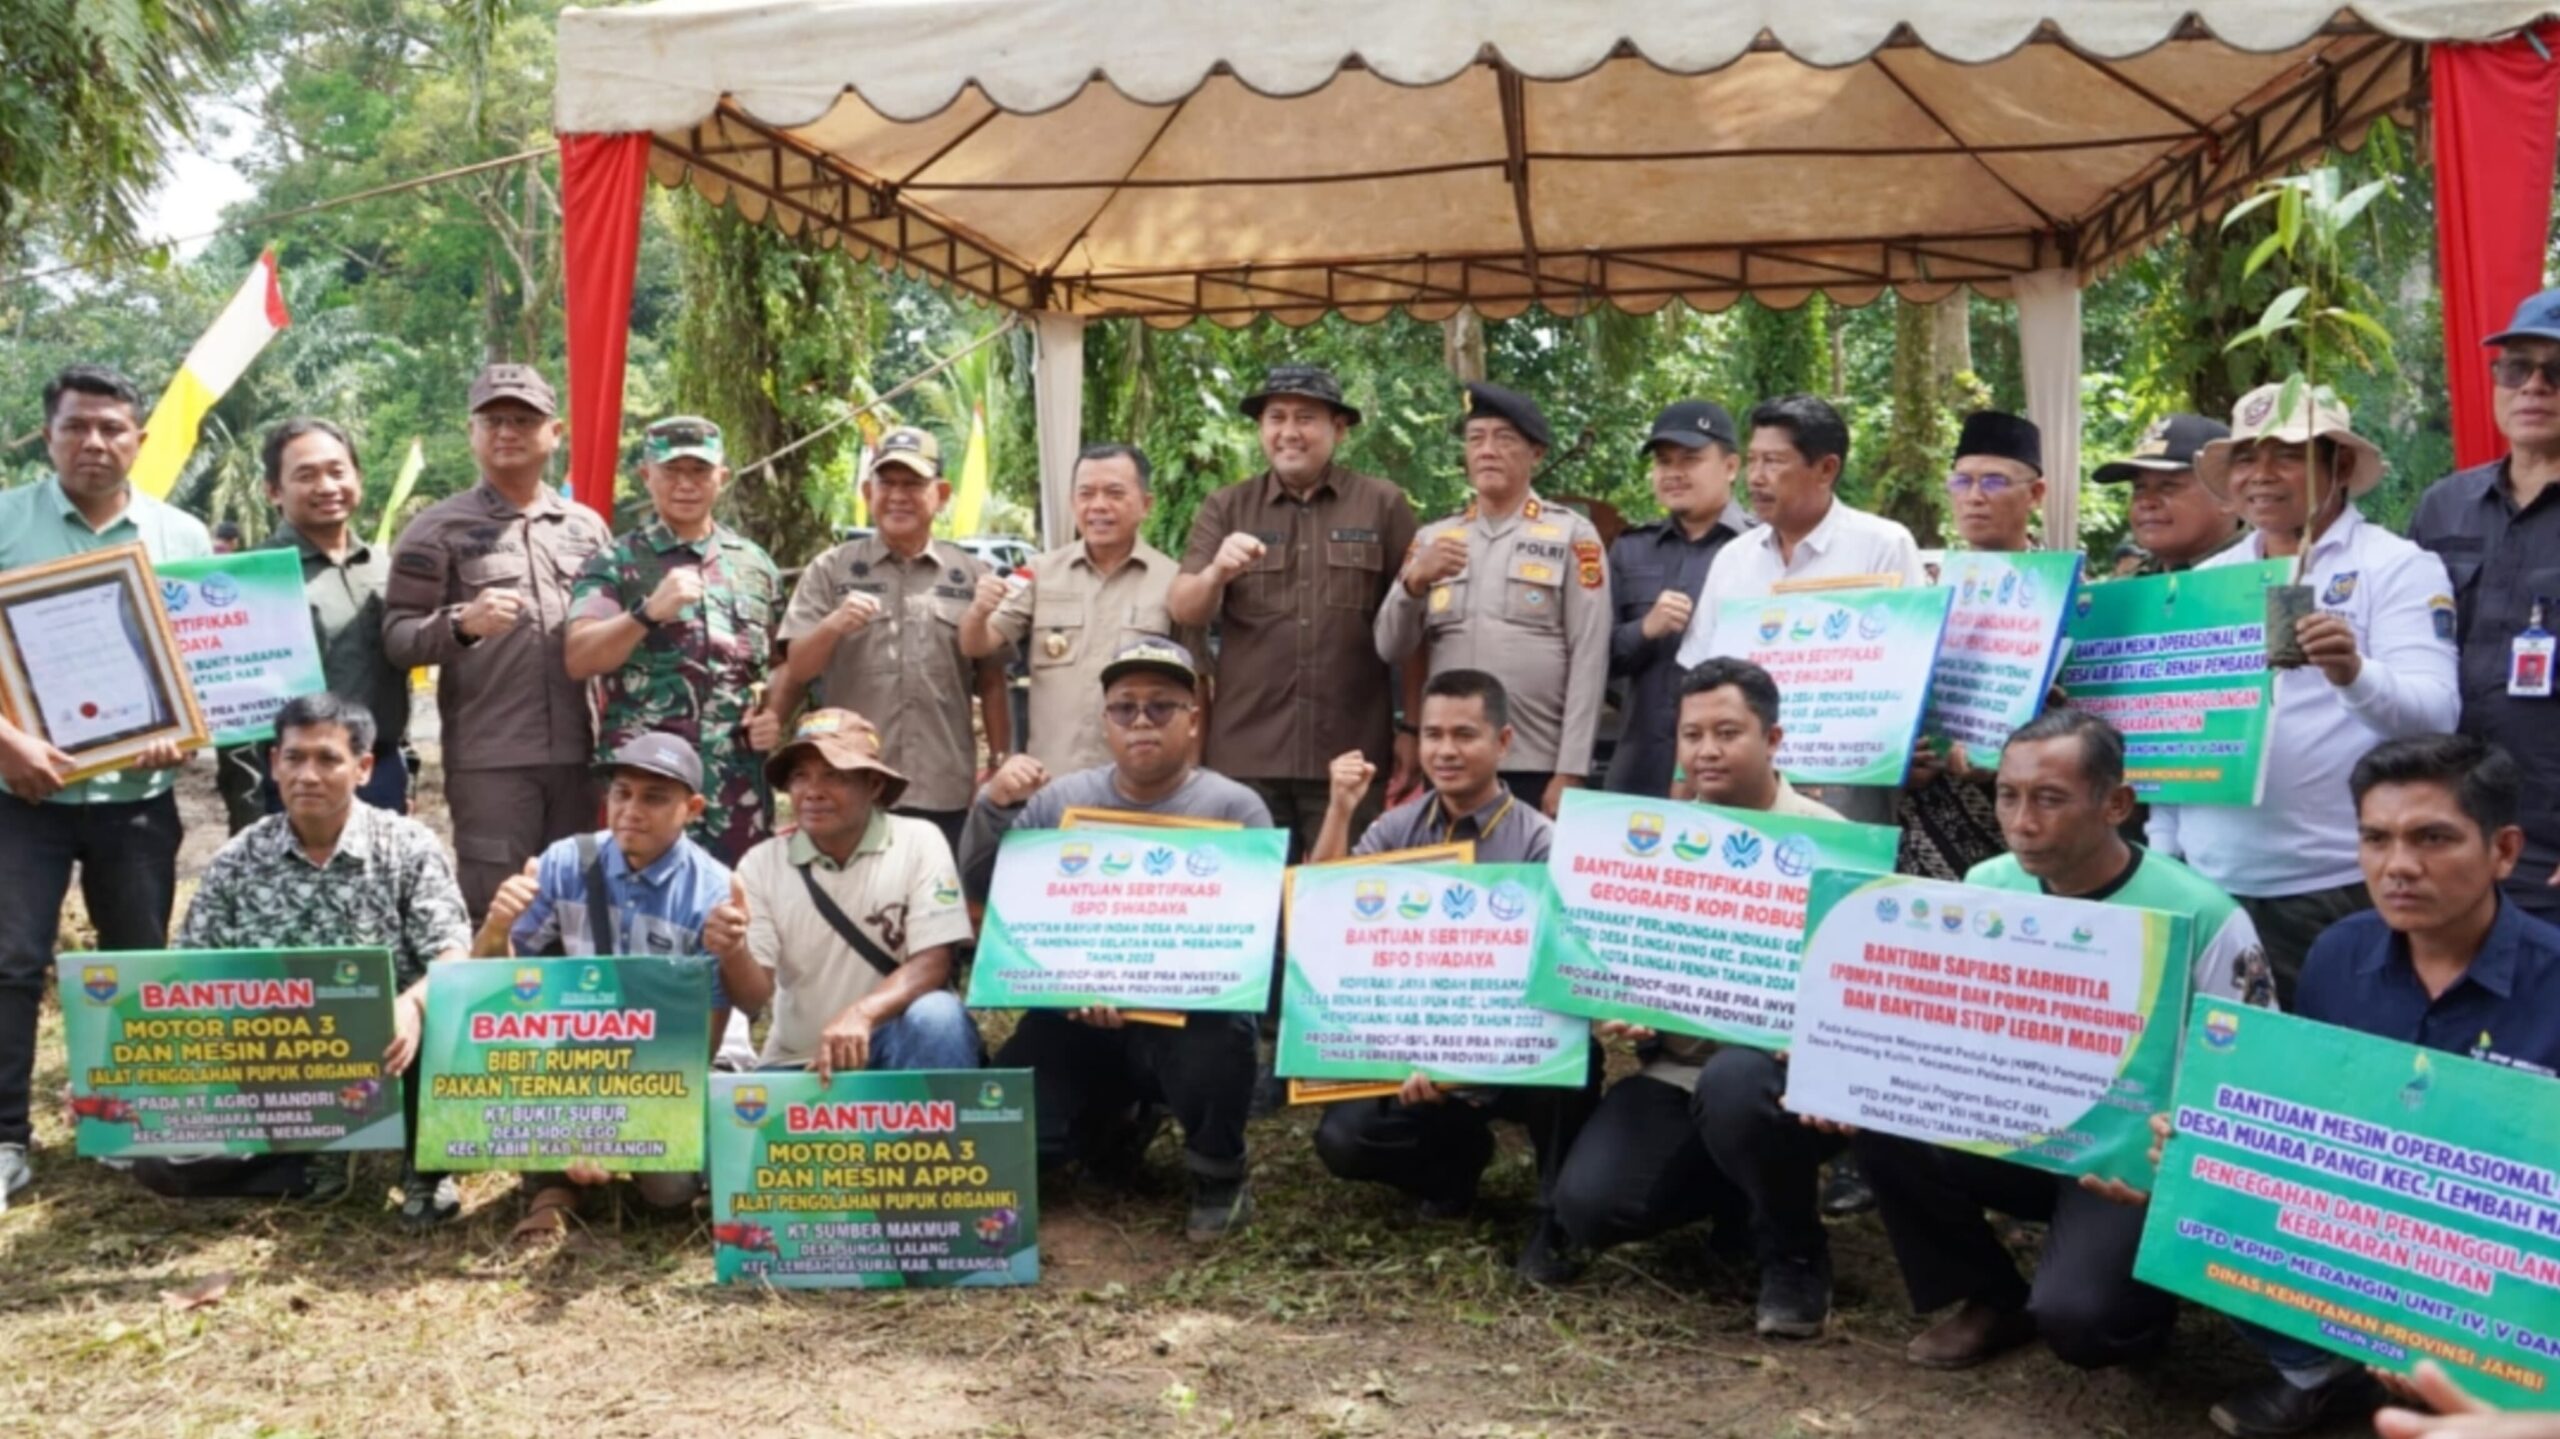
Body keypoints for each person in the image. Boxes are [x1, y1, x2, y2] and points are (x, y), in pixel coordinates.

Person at [1843, 708, 2273, 1373]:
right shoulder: (1989, 885)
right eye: (2007, 795)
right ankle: (1992, 1294)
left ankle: (2139, 1300)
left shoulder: (2206, 915)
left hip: (2126, 1163)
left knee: (2082, 1323)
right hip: (2012, 1128)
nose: (2022, 820)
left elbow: (2250, 1072)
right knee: (1878, 1106)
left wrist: (2174, 1151)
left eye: (2049, 799)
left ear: (2116, 804)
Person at [2199, 734, 2560, 1438]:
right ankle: (2322, 1373)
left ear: (2504, 851)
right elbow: (2308, 1117)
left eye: (2433, 838)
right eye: (2375, 838)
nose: (2398, 866)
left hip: (2508, 1278)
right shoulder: (2338, 953)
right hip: (2368, 1246)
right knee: (2212, 1174)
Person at [1541, 659, 1850, 1336]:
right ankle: (1742, 1196)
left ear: (1772, 739)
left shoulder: (1834, 845)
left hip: (1777, 1083)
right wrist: (1629, 1010)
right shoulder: (1654, 844)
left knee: (1737, 1080)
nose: (1706, 750)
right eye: (1691, 734)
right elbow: (1622, 968)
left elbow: (1857, 993)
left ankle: (1794, 1253)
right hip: (1677, 1074)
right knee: (1592, 1207)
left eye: (1727, 732)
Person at [2148, 385, 2458, 1000]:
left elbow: (2438, 718)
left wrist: (2353, 672)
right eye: (2245, 458)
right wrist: (2164, 856)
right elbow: (2178, 731)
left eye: (2287, 454)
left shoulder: (2395, 566)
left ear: (2338, 465)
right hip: (2210, 887)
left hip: (2335, 885)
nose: (2261, 475)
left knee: (2325, 1073)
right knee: (2220, 1069)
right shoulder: (2210, 580)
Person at [958, 638, 1270, 1241]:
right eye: (1125, 708)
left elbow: (1252, 945)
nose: (1142, 720)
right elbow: (984, 886)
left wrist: (1151, 990)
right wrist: (993, 805)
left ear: (1193, 717)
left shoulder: (1235, 809)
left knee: (1224, 1034)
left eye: (1162, 706)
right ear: (1106, 722)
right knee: (1013, 1142)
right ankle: (1117, 1123)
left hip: (1186, 1023)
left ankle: (1218, 1173)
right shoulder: (1060, 802)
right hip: (1072, 1017)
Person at [0, 363, 212, 1199]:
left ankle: (126, 1122)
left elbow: (199, 663)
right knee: (12, 961)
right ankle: (6, 1137)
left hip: (138, 801)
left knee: (135, 964)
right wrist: (6, 740)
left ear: (140, 439)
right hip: (23, 797)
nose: (94, 442)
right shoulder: (5, 523)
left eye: (112, 428)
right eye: (76, 426)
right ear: (46, 434)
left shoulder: (182, 537)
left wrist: (178, 733)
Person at [1305, 670, 1599, 1254]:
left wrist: (1469, 1058)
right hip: (1412, 1037)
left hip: (1509, 1043)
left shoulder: (1542, 842)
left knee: (1577, 1058)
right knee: (1345, 1138)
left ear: (1504, 742)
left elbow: (1563, 968)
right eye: (1433, 734)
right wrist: (1341, 810)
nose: (1445, 750)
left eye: (1465, 734)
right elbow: (1323, 916)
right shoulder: (1397, 827)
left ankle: (1553, 1215)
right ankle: (1453, 1169)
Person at [159, 694, 465, 1219]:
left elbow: (453, 955)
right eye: (294, 758)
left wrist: (412, 1007)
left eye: (328, 759)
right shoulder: (238, 859)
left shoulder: (408, 846)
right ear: (274, 763)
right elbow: (189, 978)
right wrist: (120, 1070)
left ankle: (427, 1167)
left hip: (391, 1054)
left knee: (446, 1014)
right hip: (278, 1066)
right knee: (162, 1164)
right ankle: (313, 1163)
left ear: (363, 768)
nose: (307, 775)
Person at [474, 732, 739, 1244]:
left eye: (654, 798)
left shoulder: (714, 891)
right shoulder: (565, 862)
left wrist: (621, 1122)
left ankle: (625, 1173)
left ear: (693, 808)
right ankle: (552, 1187)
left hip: (675, 1065)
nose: (630, 810)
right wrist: (495, 930)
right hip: (589, 1051)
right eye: (621, 793)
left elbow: (701, 1044)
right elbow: (498, 994)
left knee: (668, 1192)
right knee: (522, 1063)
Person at [383, 363, 612, 919]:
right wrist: (462, 624)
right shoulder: (437, 529)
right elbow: (397, 637)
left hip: (582, 758)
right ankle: (495, 1009)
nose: (507, 431)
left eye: (523, 419)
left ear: (554, 434)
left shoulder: (587, 527)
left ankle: (575, 1011)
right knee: (499, 911)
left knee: (578, 908)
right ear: (472, 434)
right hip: (492, 761)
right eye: (492, 420)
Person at [1168, 365, 1419, 858]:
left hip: (1350, 750)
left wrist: (1410, 726)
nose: (1289, 432)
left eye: (1306, 417)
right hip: (1247, 752)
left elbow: (1414, 627)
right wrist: (1217, 572)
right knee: (1249, 903)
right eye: (1275, 417)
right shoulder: (1227, 507)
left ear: (1339, 429)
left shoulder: (1382, 505)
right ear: (1261, 429)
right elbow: (1184, 608)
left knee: (1340, 896)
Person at [1675, 393, 1927, 825]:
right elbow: (1699, 678)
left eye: (1773, 462)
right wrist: (1683, 779)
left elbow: (1912, 672)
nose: (1755, 478)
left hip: (1847, 780)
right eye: (1751, 461)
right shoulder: (1733, 559)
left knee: (1837, 884)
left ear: (1826, 469)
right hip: (1738, 782)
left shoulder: (1883, 546)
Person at [1376, 381, 1611, 817]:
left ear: (1536, 454)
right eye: (1475, 439)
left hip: (1535, 761)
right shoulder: (1433, 538)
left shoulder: (1572, 536)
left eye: (1504, 439)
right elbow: (1389, 646)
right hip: (1450, 762)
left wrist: (1572, 769)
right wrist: (1414, 583)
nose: (1487, 451)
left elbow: (1590, 656)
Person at [769, 426, 1009, 850]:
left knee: (932, 907)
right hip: (851, 783)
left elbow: (992, 681)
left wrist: (998, 762)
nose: (898, 495)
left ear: (942, 493)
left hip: (940, 783)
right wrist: (833, 625)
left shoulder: (971, 575)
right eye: (887, 482)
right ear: (867, 490)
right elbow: (800, 668)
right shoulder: (832, 570)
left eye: (913, 483)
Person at [707, 709, 981, 1074]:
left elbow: (934, 962)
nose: (813, 792)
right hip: (799, 1062)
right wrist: (733, 950)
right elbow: (753, 998)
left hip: (895, 1049)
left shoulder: (919, 840)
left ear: (874, 785)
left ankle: (943, 1131)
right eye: (800, 776)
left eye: (834, 775)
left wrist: (861, 1015)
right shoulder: (761, 863)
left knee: (939, 1015)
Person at [565, 415, 783, 863]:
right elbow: (580, 657)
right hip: (648, 790)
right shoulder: (616, 561)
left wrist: (773, 715)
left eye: (699, 471)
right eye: (672, 471)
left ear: (721, 477)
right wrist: (646, 613)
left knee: (733, 915)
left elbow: (778, 666)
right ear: (647, 476)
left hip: (736, 790)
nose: (686, 484)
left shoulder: (754, 565)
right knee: (640, 912)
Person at [2411, 285, 2560, 924]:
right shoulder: (2443, 506)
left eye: (2557, 372)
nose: (2533, 386)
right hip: (2445, 824)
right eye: (2516, 368)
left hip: (2547, 840)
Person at [216, 419, 412, 833]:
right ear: (274, 491)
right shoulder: (253, 576)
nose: (326, 486)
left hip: (379, 772)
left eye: (337, 471)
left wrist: (405, 768)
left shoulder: (384, 566)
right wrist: (249, 812)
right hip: (295, 781)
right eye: (305, 475)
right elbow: (236, 706)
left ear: (357, 477)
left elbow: (396, 675)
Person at [963, 443, 1197, 775]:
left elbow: (1198, 688)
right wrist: (978, 612)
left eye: (1115, 493)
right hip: (1052, 781)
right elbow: (977, 644)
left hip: (1142, 786)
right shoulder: (1039, 573)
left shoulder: (1174, 581)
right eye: (1086, 494)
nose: (1098, 506)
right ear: (1073, 502)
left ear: (1146, 505)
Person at [1900, 410, 2045, 883]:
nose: (1975, 498)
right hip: (1924, 833)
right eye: (1961, 482)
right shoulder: (1922, 597)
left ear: (2036, 494)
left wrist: (2006, 760)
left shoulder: (2068, 597)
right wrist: (1908, 756)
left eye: (1995, 482)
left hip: (2028, 835)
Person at [1604, 400, 1758, 798]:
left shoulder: (1764, 549)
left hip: (1733, 771)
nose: (1673, 473)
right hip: (1642, 767)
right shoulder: (1630, 549)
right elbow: (1596, 659)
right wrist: (1645, 630)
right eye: (1663, 461)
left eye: (1690, 459)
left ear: (1730, 467)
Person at [2094, 413, 2240, 575]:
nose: (2146, 502)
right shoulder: (2128, 588)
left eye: (2168, 486)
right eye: (2139, 487)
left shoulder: (2260, 577)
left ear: (2227, 496)